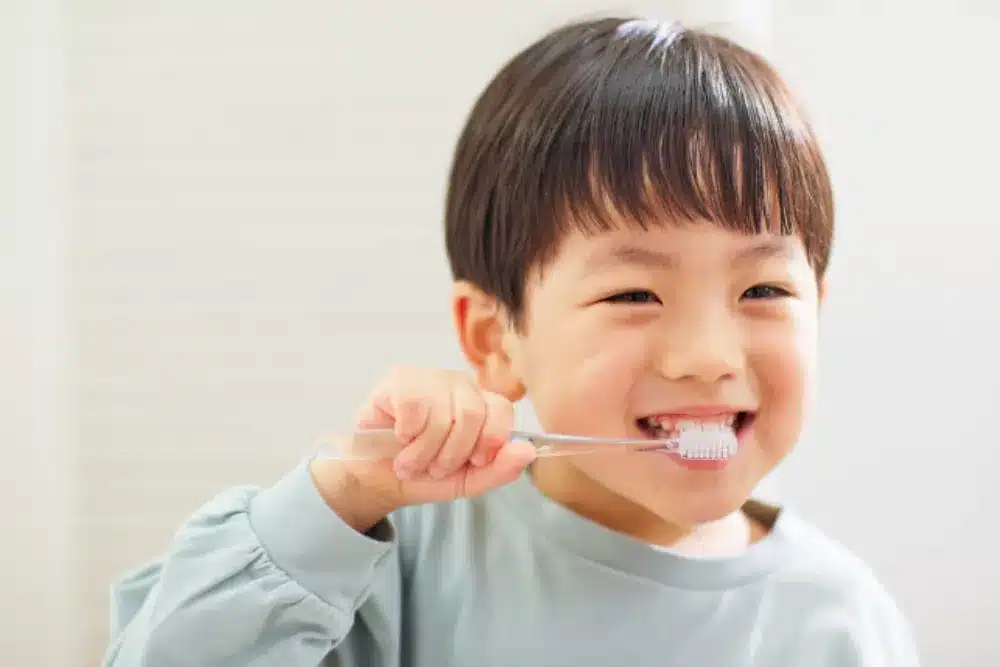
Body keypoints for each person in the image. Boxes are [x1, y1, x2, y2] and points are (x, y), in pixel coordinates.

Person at [102, 16, 920, 667]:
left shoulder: (842, 620)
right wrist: (343, 498)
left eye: (764, 290)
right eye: (635, 291)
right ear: (496, 338)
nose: (708, 353)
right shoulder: (389, 568)